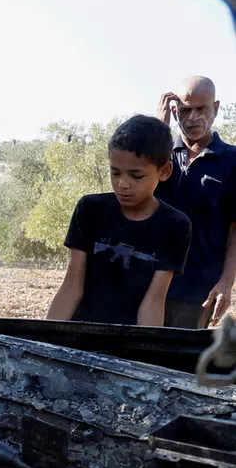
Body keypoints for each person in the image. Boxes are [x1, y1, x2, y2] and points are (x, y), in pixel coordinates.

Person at [47, 115, 190, 326]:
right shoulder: (90, 209)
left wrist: (143, 350)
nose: (122, 184)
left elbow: (154, 301)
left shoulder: (175, 226)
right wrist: (46, 340)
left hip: (129, 340)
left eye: (136, 176)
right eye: (115, 173)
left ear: (164, 171)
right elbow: (71, 287)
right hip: (79, 333)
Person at [156, 75, 236, 327]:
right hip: (148, 285)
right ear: (174, 110)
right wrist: (158, 132)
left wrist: (226, 282)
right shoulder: (158, 155)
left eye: (200, 108)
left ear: (216, 108)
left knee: (177, 363)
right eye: (184, 109)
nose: (192, 118)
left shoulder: (232, 161)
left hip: (197, 293)